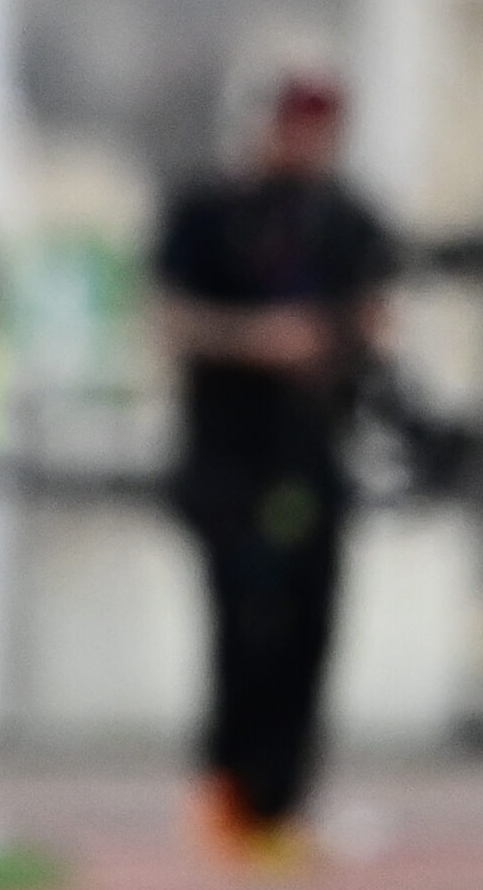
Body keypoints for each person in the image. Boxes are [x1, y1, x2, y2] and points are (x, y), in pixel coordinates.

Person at [156, 71, 394, 869]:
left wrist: (347, 344)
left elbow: (372, 322)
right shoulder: (210, 212)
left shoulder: (349, 222)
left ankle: (285, 800)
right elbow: (171, 317)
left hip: (313, 457)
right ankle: (230, 791)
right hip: (228, 458)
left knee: (307, 627)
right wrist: (256, 338)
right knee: (241, 625)